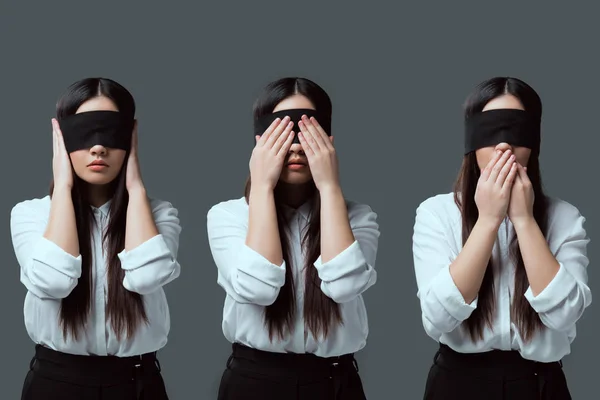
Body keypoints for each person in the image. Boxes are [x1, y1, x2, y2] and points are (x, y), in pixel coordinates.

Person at [412, 76, 591, 400]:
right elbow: (438, 318)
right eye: (491, 129)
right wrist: (488, 220)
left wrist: (524, 220)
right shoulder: (436, 213)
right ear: (471, 139)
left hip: (540, 386)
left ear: (534, 140)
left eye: (516, 129)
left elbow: (565, 315)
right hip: (457, 385)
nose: (504, 144)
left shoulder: (565, 218)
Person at [207, 77, 380, 400]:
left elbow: (344, 286)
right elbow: (257, 289)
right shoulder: (228, 216)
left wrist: (329, 186)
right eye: (282, 132)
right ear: (260, 141)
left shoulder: (359, 217)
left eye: (308, 132)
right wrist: (260, 186)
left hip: (335, 383)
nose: (297, 145)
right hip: (254, 383)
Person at [10, 77, 181, 400]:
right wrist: (62, 185)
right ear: (61, 138)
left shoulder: (160, 215)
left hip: (137, 385)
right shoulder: (31, 215)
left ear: (130, 138)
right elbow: (54, 281)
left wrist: (136, 187)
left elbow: (146, 277)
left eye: (111, 132)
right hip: (55, 385)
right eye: (84, 132)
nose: (98, 146)